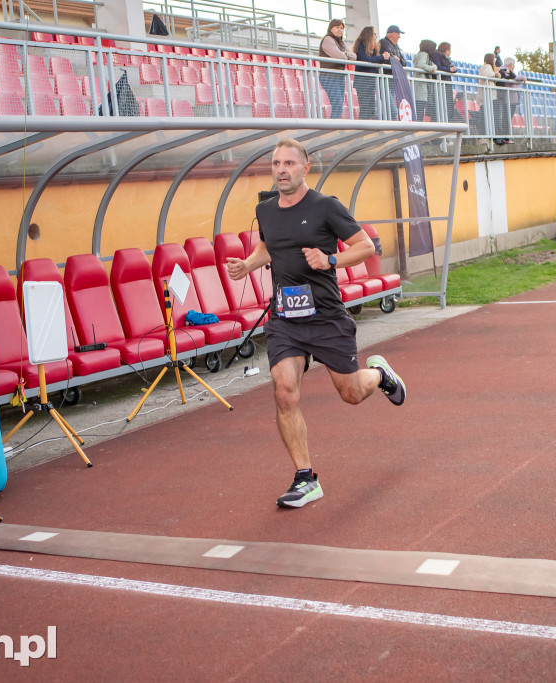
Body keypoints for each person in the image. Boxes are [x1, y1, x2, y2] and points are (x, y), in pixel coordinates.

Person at [225, 140, 407, 509]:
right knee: (283, 391)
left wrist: (331, 259)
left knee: (351, 393)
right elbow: (268, 247)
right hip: (285, 319)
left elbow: (367, 246)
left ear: (306, 167)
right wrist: (247, 265)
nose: (281, 170)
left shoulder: (326, 206)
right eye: (276, 163)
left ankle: (379, 375)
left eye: (289, 163)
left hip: (325, 316)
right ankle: (305, 478)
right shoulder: (266, 210)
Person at [318, 19, 356, 119]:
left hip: (338, 77)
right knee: (338, 106)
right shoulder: (328, 39)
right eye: (337, 27)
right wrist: (345, 54)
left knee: (339, 107)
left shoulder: (341, 43)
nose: (340, 30)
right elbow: (341, 57)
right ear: (331, 28)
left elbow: (354, 57)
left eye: (342, 28)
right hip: (329, 76)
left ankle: (332, 127)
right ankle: (330, 129)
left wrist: (346, 53)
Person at [352, 26, 390, 120]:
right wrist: (381, 57)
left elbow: (376, 61)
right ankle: (360, 129)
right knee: (366, 108)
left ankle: (363, 129)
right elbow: (365, 60)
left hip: (370, 82)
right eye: (374, 34)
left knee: (370, 109)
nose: (376, 36)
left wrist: (384, 58)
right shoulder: (361, 45)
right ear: (368, 35)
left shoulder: (375, 47)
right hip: (362, 82)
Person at [378, 25, 406, 119]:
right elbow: (389, 58)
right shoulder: (383, 42)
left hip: (393, 79)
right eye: (398, 34)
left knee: (389, 108)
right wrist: (397, 60)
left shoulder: (396, 46)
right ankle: (390, 130)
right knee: (392, 109)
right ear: (393, 34)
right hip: (385, 78)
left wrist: (398, 60)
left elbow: (404, 62)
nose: (399, 37)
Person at [431, 42, 461, 123]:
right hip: (440, 86)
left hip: (447, 84)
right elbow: (438, 67)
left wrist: (452, 69)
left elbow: (452, 68)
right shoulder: (436, 56)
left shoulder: (447, 59)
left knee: (448, 106)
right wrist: (449, 69)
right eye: (449, 50)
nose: (450, 52)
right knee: (440, 106)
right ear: (446, 50)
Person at [412, 39, 438, 121]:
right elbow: (421, 65)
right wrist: (432, 69)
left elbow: (434, 66)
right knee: (419, 113)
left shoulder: (426, 57)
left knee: (420, 112)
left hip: (422, 90)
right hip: (420, 90)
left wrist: (433, 67)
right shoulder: (424, 54)